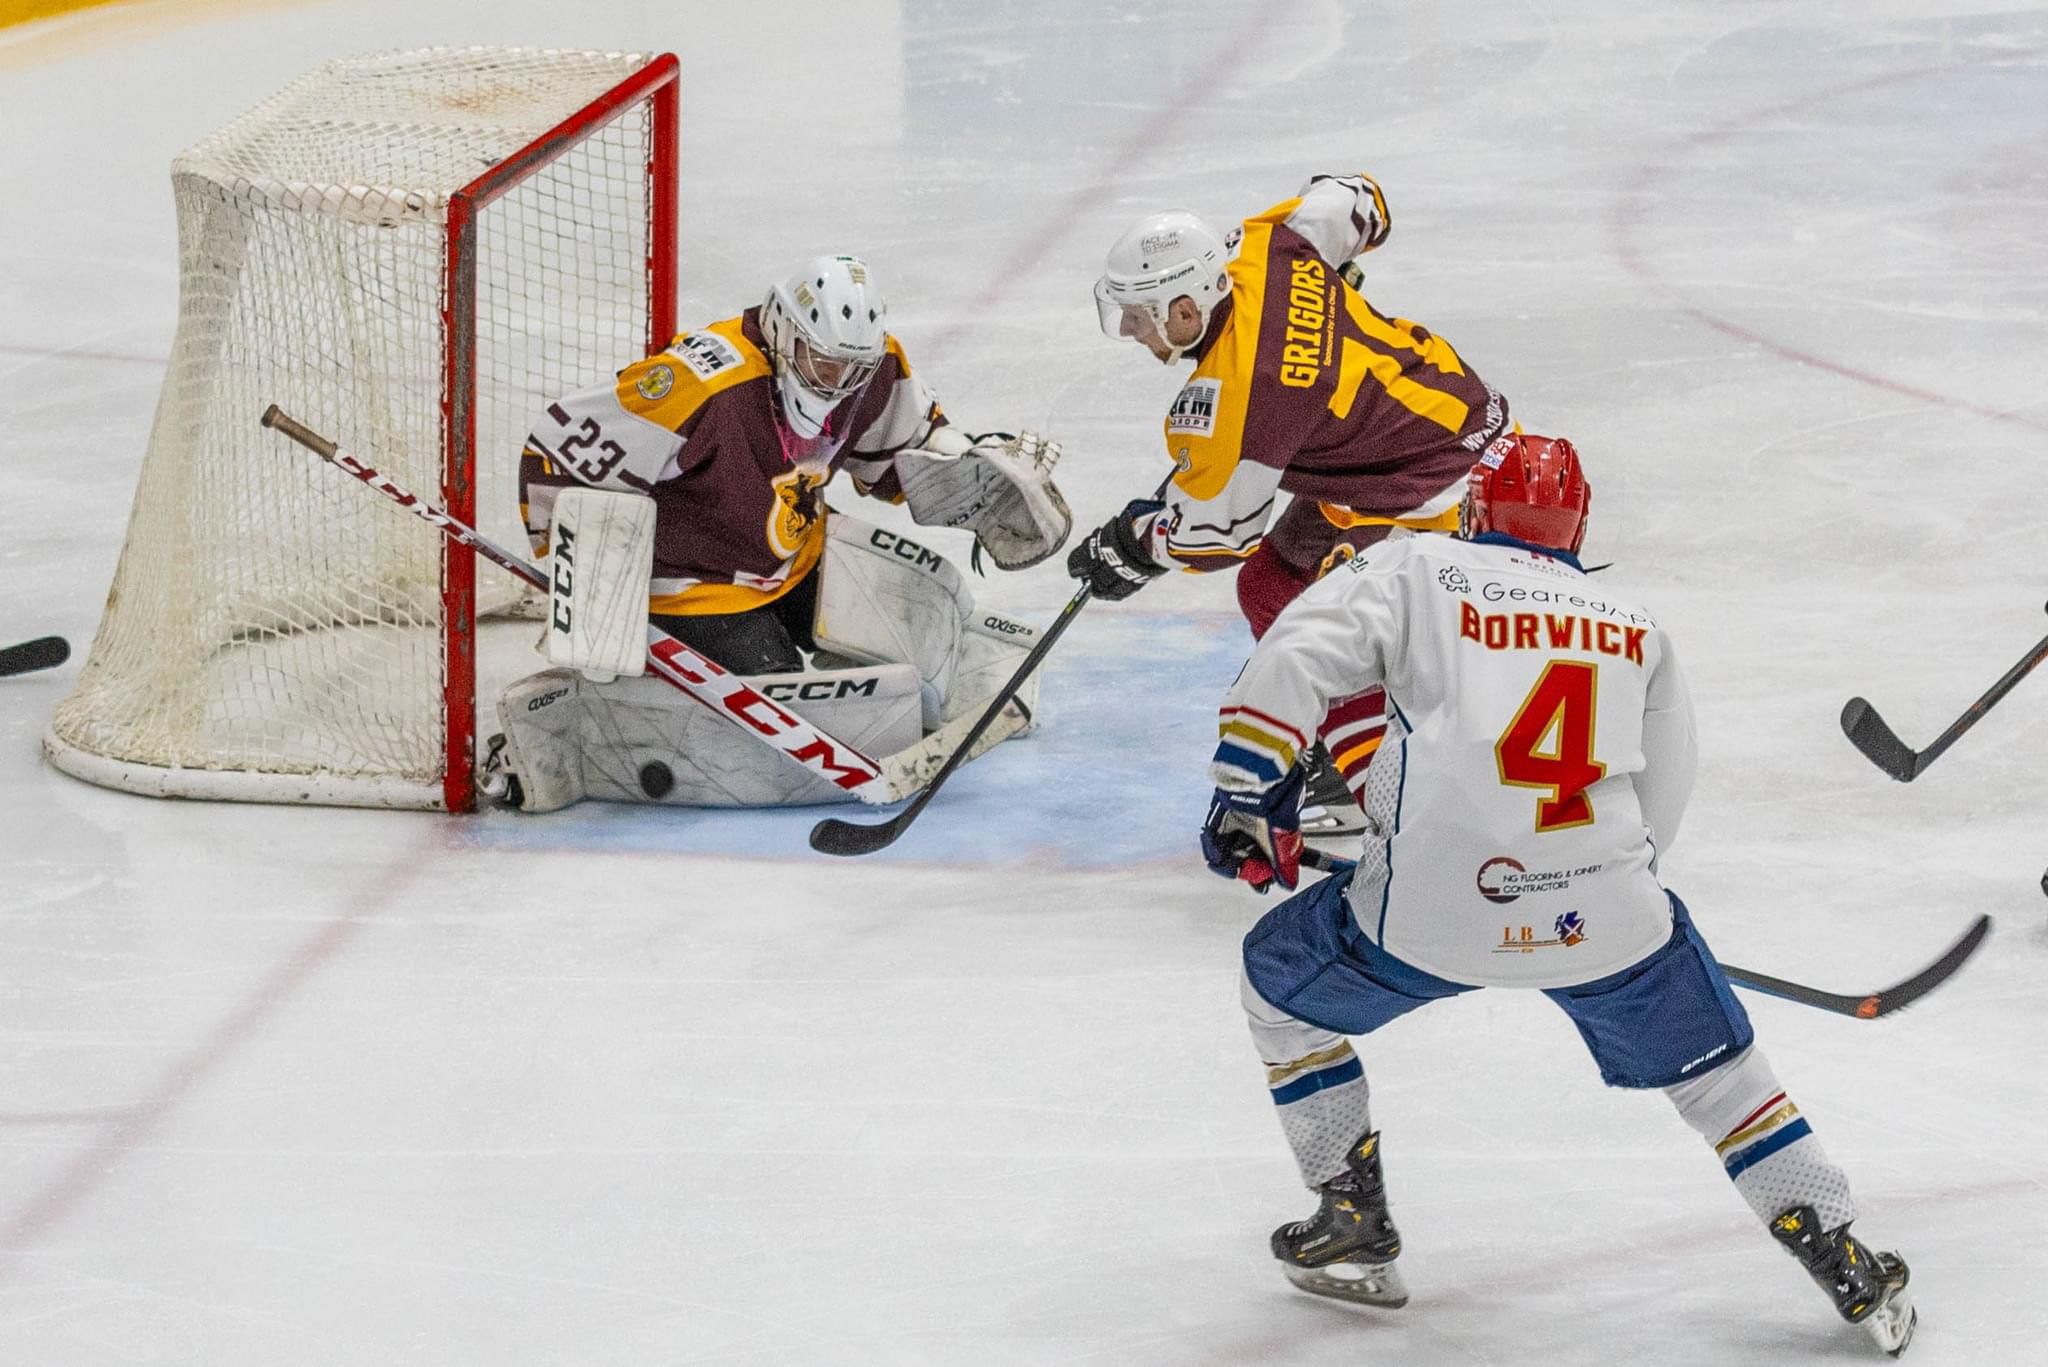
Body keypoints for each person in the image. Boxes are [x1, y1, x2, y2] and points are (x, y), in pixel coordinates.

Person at [1198, 434, 1916, 1356]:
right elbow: (1663, 795)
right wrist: (1591, 887)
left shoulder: (1419, 567)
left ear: (1476, 511)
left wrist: (1250, 789)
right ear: (1577, 527)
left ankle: (1350, 1219)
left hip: (1423, 913)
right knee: (1721, 1077)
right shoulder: (1633, 622)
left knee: (1277, 990)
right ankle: (1844, 1258)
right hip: (1602, 915)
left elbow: (1298, 649)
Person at [482, 254, 1073, 812]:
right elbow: (556, 449)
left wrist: (969, 459)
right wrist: (587, 580)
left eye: (853, 368)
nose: (839, 382)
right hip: (697, 587)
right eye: (825, 363)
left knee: (928, 619)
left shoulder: (872, 365)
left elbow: (903, 445)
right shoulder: (701, 384)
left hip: (794, 555)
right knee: (782, 716)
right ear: (785, 332)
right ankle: (593, 728)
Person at [1069, 172, 1512, 832]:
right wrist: (1324, 283)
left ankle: (1367, 777)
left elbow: (1219, 536)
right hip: (1426, 428)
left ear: (1185, 312)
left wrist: (1134, 546)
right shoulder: (1261, 246)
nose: (1132, 331)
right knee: (1275, 583)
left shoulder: (1234, 400)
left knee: (1315, 618)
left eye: (1139, 316)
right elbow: (1358, 197)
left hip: (1437, 484)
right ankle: (1351, 735)